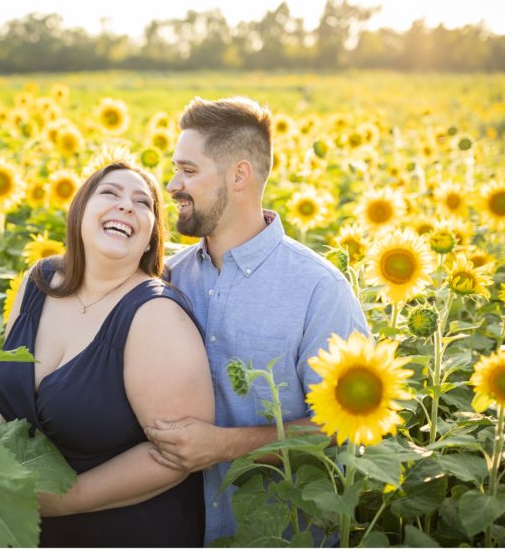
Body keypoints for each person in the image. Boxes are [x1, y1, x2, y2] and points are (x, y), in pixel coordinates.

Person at [144, 97, 370, 545]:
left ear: (239, 175)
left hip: (281, 536)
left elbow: (345, 424)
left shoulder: (318, 289)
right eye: (175, 169)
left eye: (188, 171)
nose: (171, 185)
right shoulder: (165, 277)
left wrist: (223, 446)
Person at [0, 162, 214, 547]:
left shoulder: (156, 315)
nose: (126, 206)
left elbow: (175, 456)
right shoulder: (38, 282)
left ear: (149, 239)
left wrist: (60, 501)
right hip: (15, 525)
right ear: (80, 213)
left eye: (142, 203)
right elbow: (4, 408)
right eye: (110, 193)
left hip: (120, 531)